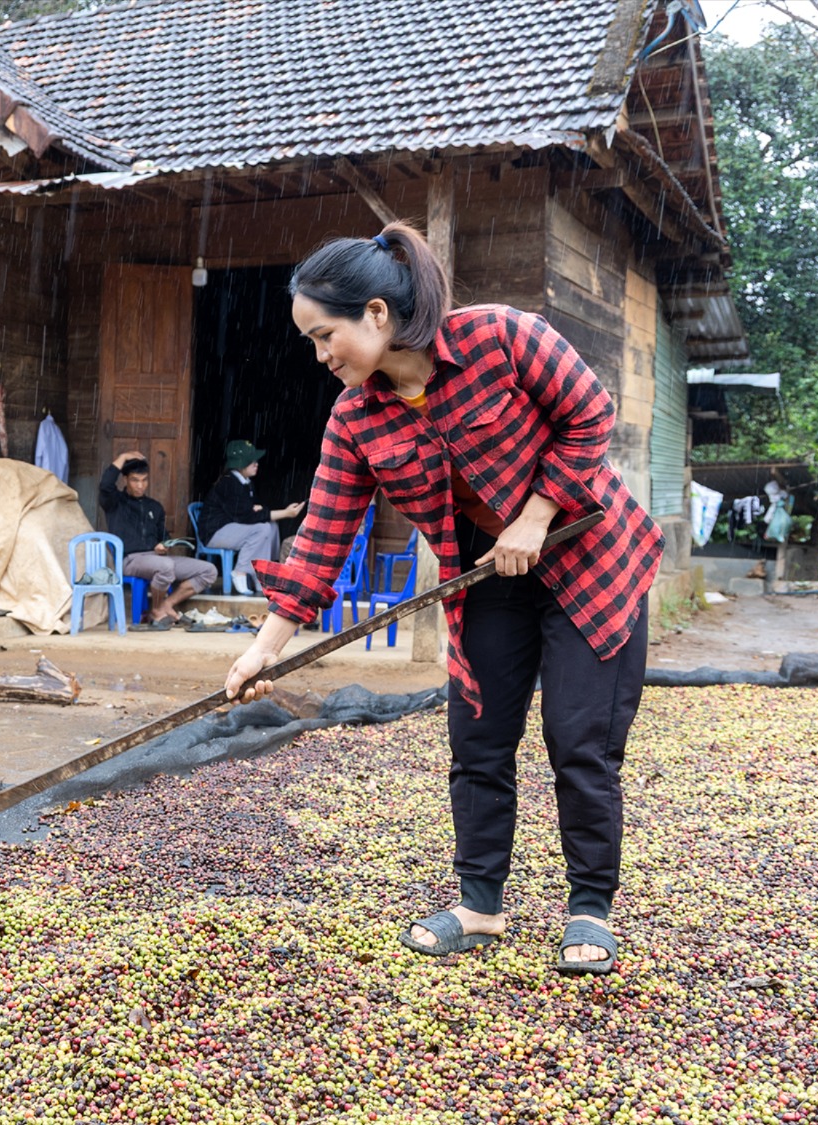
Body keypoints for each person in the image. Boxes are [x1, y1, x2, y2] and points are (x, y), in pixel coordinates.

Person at [225, 221, 663, 975]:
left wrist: (534, 516)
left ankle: (589, 906)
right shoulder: (356, 419)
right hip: (489, 577)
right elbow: (324, 535)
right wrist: (265, 649)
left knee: (579, 739)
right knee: (479, 739)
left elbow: (591, 410)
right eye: (309, 342)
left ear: (376, 314)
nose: (320, 356)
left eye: (323, 335)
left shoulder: (500, 336)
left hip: (590, 561)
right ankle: (480, 904)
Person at [97, 451, 218, 626]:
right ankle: (157, 610)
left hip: (157, 559)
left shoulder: (154, 506)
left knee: (209, 570)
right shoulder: (115, 502)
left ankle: (164, 606)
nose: (140, 485)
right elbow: (105, 485)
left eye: (144, 480)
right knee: (166, 567)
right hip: (131, 560)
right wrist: (123, 458)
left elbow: (163, 536)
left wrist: (164, 544)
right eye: (135, 480)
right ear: (125, 480)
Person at [199, 440, 304, 594]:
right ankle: (240, 571)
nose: (256, 464)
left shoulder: (246, 483)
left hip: (233, 527)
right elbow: (248, 516)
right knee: (262, 528)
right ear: (240, 464)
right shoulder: (229, 483)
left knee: (271, 525)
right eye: (251, 461)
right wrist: (286, 513)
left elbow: (251, 511)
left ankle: (262, 574)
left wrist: (256, 511)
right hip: (215, 532)